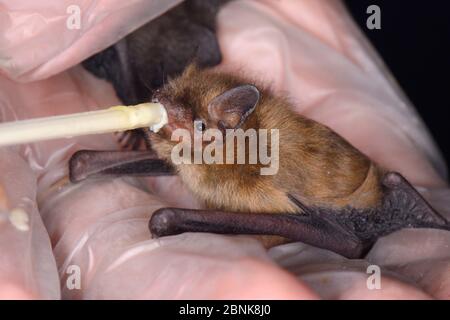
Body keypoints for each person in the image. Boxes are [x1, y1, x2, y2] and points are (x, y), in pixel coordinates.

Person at [0, 0, 448, 299]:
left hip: (334, 206)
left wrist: (182, 217)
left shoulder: (247, 166)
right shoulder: (199, 143)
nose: (165, 113)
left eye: (187, 121)